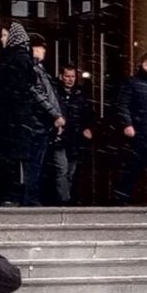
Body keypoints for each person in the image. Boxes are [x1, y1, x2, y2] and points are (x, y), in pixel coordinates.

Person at [0, 22, 36, 206]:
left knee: (9, 160)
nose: (1, 39)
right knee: (9, 159)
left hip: (11, 120)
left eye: (5, 35)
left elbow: (14, 90)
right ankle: (7, 195)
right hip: (13, 120)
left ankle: (9, 195)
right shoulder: (20, 58)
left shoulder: (17, 59)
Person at [114, 52, 147, 205]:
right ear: (144, 65)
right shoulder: (132, 83)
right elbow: (122, 105)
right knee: (132, 169)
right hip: (140, 134)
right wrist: (127, 124)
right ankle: (122, 198)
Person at [23, 33, 64, 206]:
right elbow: (38, 94)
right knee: (34, 164)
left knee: (37, 164)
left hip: (40, 123)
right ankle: (30, 197)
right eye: (41, 47)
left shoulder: (38, 69)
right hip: (37, 124)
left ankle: (33, 195)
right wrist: (55, 113)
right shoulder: (32, 68)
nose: (43, 51)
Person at [50, 63, 94, 205]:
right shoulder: (55, 92)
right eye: (67, 76)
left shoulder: (80, 94)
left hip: (75, 138)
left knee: (70, 171)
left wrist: (87, 128)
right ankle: (64, 200)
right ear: (61, 76)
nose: (70, 79)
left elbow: (87, 113)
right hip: (59, 136)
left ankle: (66, 198)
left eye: (73, 76)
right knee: (61, 169)